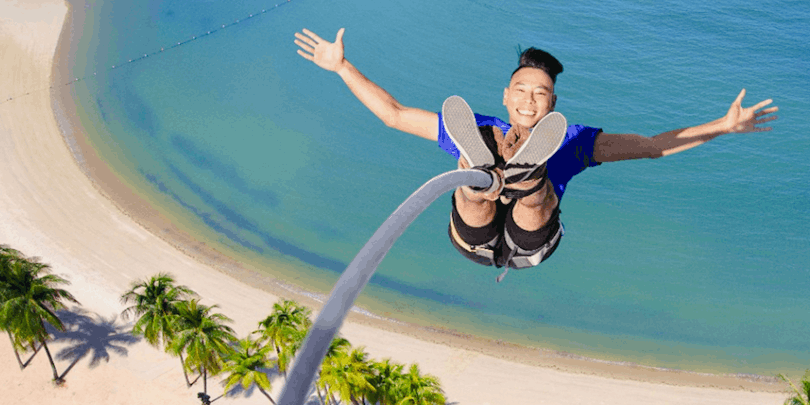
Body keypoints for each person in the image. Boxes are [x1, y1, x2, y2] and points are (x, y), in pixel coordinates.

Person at [294, 27, 778, 274]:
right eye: (521, 89)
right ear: (506, 96)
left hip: (533, 245)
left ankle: (524, 177)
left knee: (537, 194)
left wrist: (723, 125)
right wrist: (341, 67)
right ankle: (485, 175)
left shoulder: (572, 139)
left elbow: (652, 148)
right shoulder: (479, 127)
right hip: (473, 238)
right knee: (473, 178)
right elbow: (395, 115)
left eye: (540, 93)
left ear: (553, 104)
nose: (529, 98)